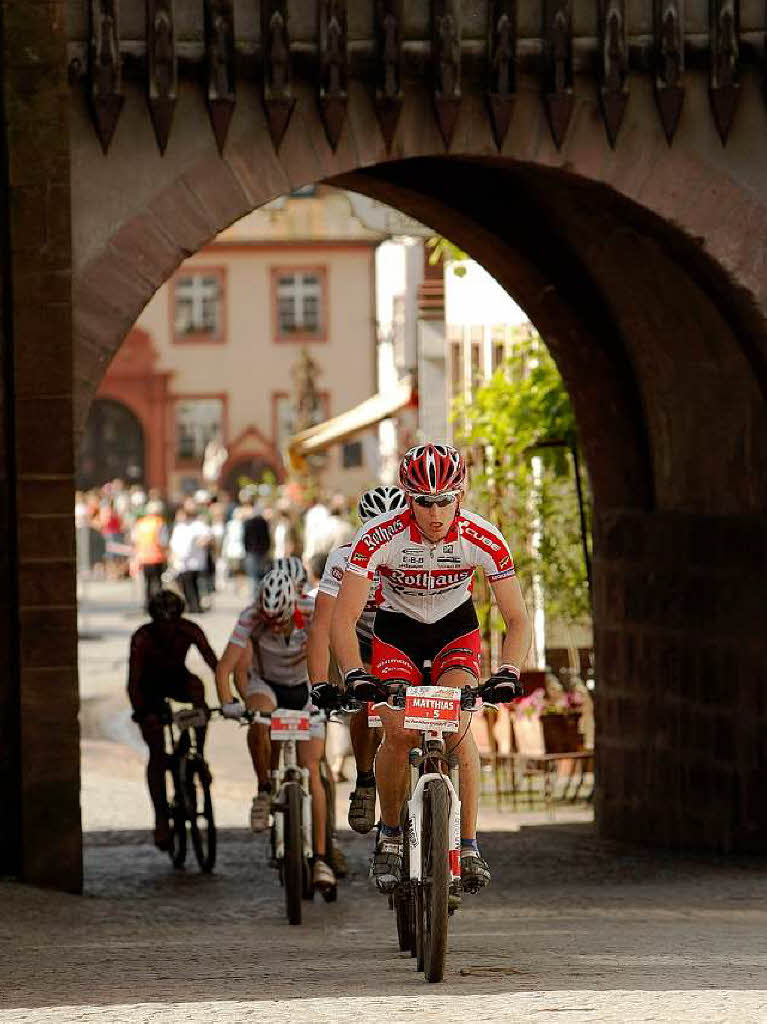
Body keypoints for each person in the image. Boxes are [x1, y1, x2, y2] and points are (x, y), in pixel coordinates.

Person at [330, 443, 531, 894]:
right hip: (396, 635)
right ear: (407, 498)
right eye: (424, 501)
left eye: (445, 500)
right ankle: (391, 835)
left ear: (461, 494)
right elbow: (343, 620)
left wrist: (509, 670)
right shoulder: (378, 537)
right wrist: (353, 673)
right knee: (398, 731)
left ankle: (471, 843)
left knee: (459, 731)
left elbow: (517, 619)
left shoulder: (483, 537)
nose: (436, 513)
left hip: (454, 634)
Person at [215, 569, 335, 892]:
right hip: (267, 686)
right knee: (257, 721)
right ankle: (265, 789)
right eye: (270, 623)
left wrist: (338, 691)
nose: (276, 628)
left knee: (312, 766)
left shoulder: (312, 610)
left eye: (281, 621)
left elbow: (336, 643)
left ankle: (322, 857)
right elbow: (225, 666)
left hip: (306, 686)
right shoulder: (251, 616)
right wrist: (227, 701)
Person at [308, 485, 408, 833]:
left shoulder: (416, 551)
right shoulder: (344, 558)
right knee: (366, 700)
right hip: (362, 640)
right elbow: (322, 626)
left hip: (406, 640)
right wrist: (320, 681)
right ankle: (365, 781)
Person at [127, 589, 218, 851]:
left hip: (177, 679)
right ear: (153, 620)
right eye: (161, 622)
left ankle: (198, 755)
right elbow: (133, 681)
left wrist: (226, 698)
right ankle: (160, 819)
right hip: (149, 688)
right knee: (157, 751)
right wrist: (142, 713)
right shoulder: (142, 638)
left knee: (197, 690)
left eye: (172, 622)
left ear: (179, 618)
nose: (167, 628)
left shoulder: (189, 629)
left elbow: (213, 662)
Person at [169, 506, 210, 613]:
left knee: (193, 584)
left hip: (194, 562)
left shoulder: (196, 526)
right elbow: (173, 545)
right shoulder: (178, 528)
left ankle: (195, 605)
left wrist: (201, 542)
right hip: (181, 562)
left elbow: (206, 538)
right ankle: (190, 604)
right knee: (185, 584)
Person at [133, 500, 168, 612]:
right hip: (157, 557)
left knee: (147, 583)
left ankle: (147, 604)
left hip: (144, 557)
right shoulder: (159, 522)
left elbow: (134, 539)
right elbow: (163, 541)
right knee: (157, 583)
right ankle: (158, 605)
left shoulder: (141, 523)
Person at [243, 503, 271, 600]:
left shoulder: (248, 522)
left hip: (252, 552)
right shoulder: (264, 523)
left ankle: (255, 596)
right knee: (260, 574)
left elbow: (245, 539)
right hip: (261, 551)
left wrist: (247, 550)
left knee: (254, 575)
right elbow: (267, 538)